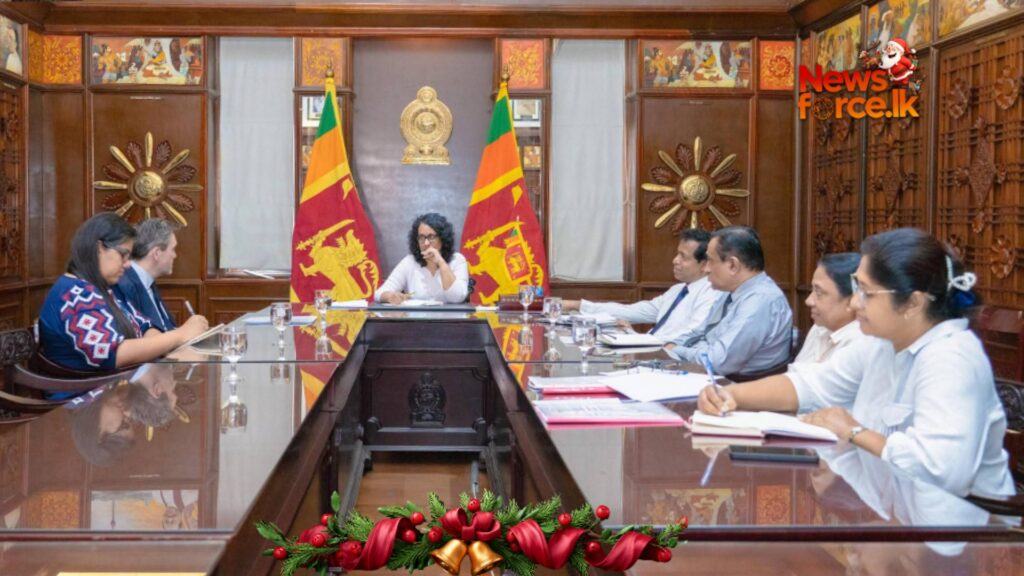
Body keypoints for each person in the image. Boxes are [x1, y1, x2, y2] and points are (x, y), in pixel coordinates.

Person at [698, 228, 1014, 498]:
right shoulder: (880, 343)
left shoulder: (951, 358)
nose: (855, 303)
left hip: (967, 529)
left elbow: (942, 470)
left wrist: (853, 431)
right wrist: (732, 395)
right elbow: (811, 384)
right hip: (896, 505)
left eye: (866, 293)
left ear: (913, 303)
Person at [37, 213, 208, 372]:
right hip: (89, 392)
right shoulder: (75, 294)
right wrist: (179, 335)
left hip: (118, 385)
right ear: (99, 249)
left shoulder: (102, 288)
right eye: (123, 255)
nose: (127, 264)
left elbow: (144, 325)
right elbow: (112, 354)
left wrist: (164, 344)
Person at [666, 226, 792, 378]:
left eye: (710, 261)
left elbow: (716, 362)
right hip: (705, 373)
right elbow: (700, 334)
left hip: (734, 385)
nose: (705, 269)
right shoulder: (731, 292)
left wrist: (675, 349)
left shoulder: (760, 301)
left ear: (733, 265)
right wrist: (666, 347)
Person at [563, 229, 722, 342]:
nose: (675, 260)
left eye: (683, 257)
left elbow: (687, 337)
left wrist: (634, 337)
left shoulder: (711, 293)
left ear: (704, 264)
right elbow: (631, 311)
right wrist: (578, 305)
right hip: (650, 354)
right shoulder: (678, 290)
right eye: (677, 253)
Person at [69, 363, 180, 467]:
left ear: (100, 434)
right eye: (129, 421)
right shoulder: (103, 385)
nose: (127, 414)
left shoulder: (75, 389)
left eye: (123, 424)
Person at [114, 218, 195, 332]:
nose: (175, 255)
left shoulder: (147, 281)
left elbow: (166, 328)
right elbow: (140, 337)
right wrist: (185, 332)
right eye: (173, 249)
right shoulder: (125, 285)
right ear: (157, 253)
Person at [375, 213, 469, 304]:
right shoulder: (409, 262)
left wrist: (441, 263)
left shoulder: (457, 260)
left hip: (450, 315)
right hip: (416, 315)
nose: (426, 243)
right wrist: (390, 296)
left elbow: (457, 297)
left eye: (431, 237)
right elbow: (379, 293)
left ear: (442, 238)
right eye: (421, 237)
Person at [794, 252, 863, 363]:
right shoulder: (820, 327)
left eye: (819, 293)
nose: (808, 301)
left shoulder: (862, 344)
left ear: (852, 300)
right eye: (812, 290)